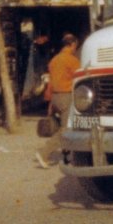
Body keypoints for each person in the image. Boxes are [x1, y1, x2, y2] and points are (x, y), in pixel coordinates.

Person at [36, 33, 80, 168]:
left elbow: (50, 83)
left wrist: (49, 101)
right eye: (75, 46)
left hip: (55, 97)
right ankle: (44, 153)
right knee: (66, 129)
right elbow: (80, 78)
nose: (75, 49)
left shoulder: (54, 60)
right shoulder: (72, 61)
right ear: (72, 45)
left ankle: (67, 157)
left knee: (63, 126)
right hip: (66, 96)